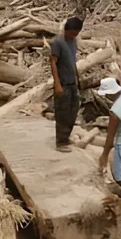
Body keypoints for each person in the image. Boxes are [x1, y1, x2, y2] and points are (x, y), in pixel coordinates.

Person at [49, 17, 83, 150]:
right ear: (66, 30)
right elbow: (53, 63)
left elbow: (72, 61)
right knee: (62, 112)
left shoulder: (73, 42)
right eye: (72, 32)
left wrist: (78, 79)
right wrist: (57, 84)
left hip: (72, 82)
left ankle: (66, 137)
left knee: (73, 111)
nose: (74, 35)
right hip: (62, 82)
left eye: (76, 33)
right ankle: (60, 142)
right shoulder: (57, 42)